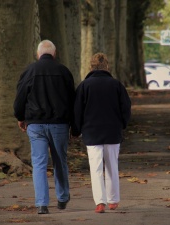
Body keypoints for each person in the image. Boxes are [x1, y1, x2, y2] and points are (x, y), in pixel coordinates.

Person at [13, 40, 74, 214]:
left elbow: (20, 98)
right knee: (59, 161)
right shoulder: (63, 71)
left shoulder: (29, 71)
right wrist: (73, 125)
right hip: (59, 124)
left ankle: (42, 204)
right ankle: (62, 198)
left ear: (38, 54)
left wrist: (20, 117)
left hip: (36, 124)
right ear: (54, 54)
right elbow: (72, 100)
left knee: (39, 163)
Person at [73, 53, 131, 213]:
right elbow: (125, 108)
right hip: (112, 131)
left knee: (96, 168)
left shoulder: (84, 86)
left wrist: (76, 130)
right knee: (112, 166)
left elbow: (77, 111)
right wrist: (122, 125)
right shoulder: (116, 85)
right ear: (107, 66)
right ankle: (113, 200)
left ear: (91, 67)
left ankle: (100, 202)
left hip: (91, 133)